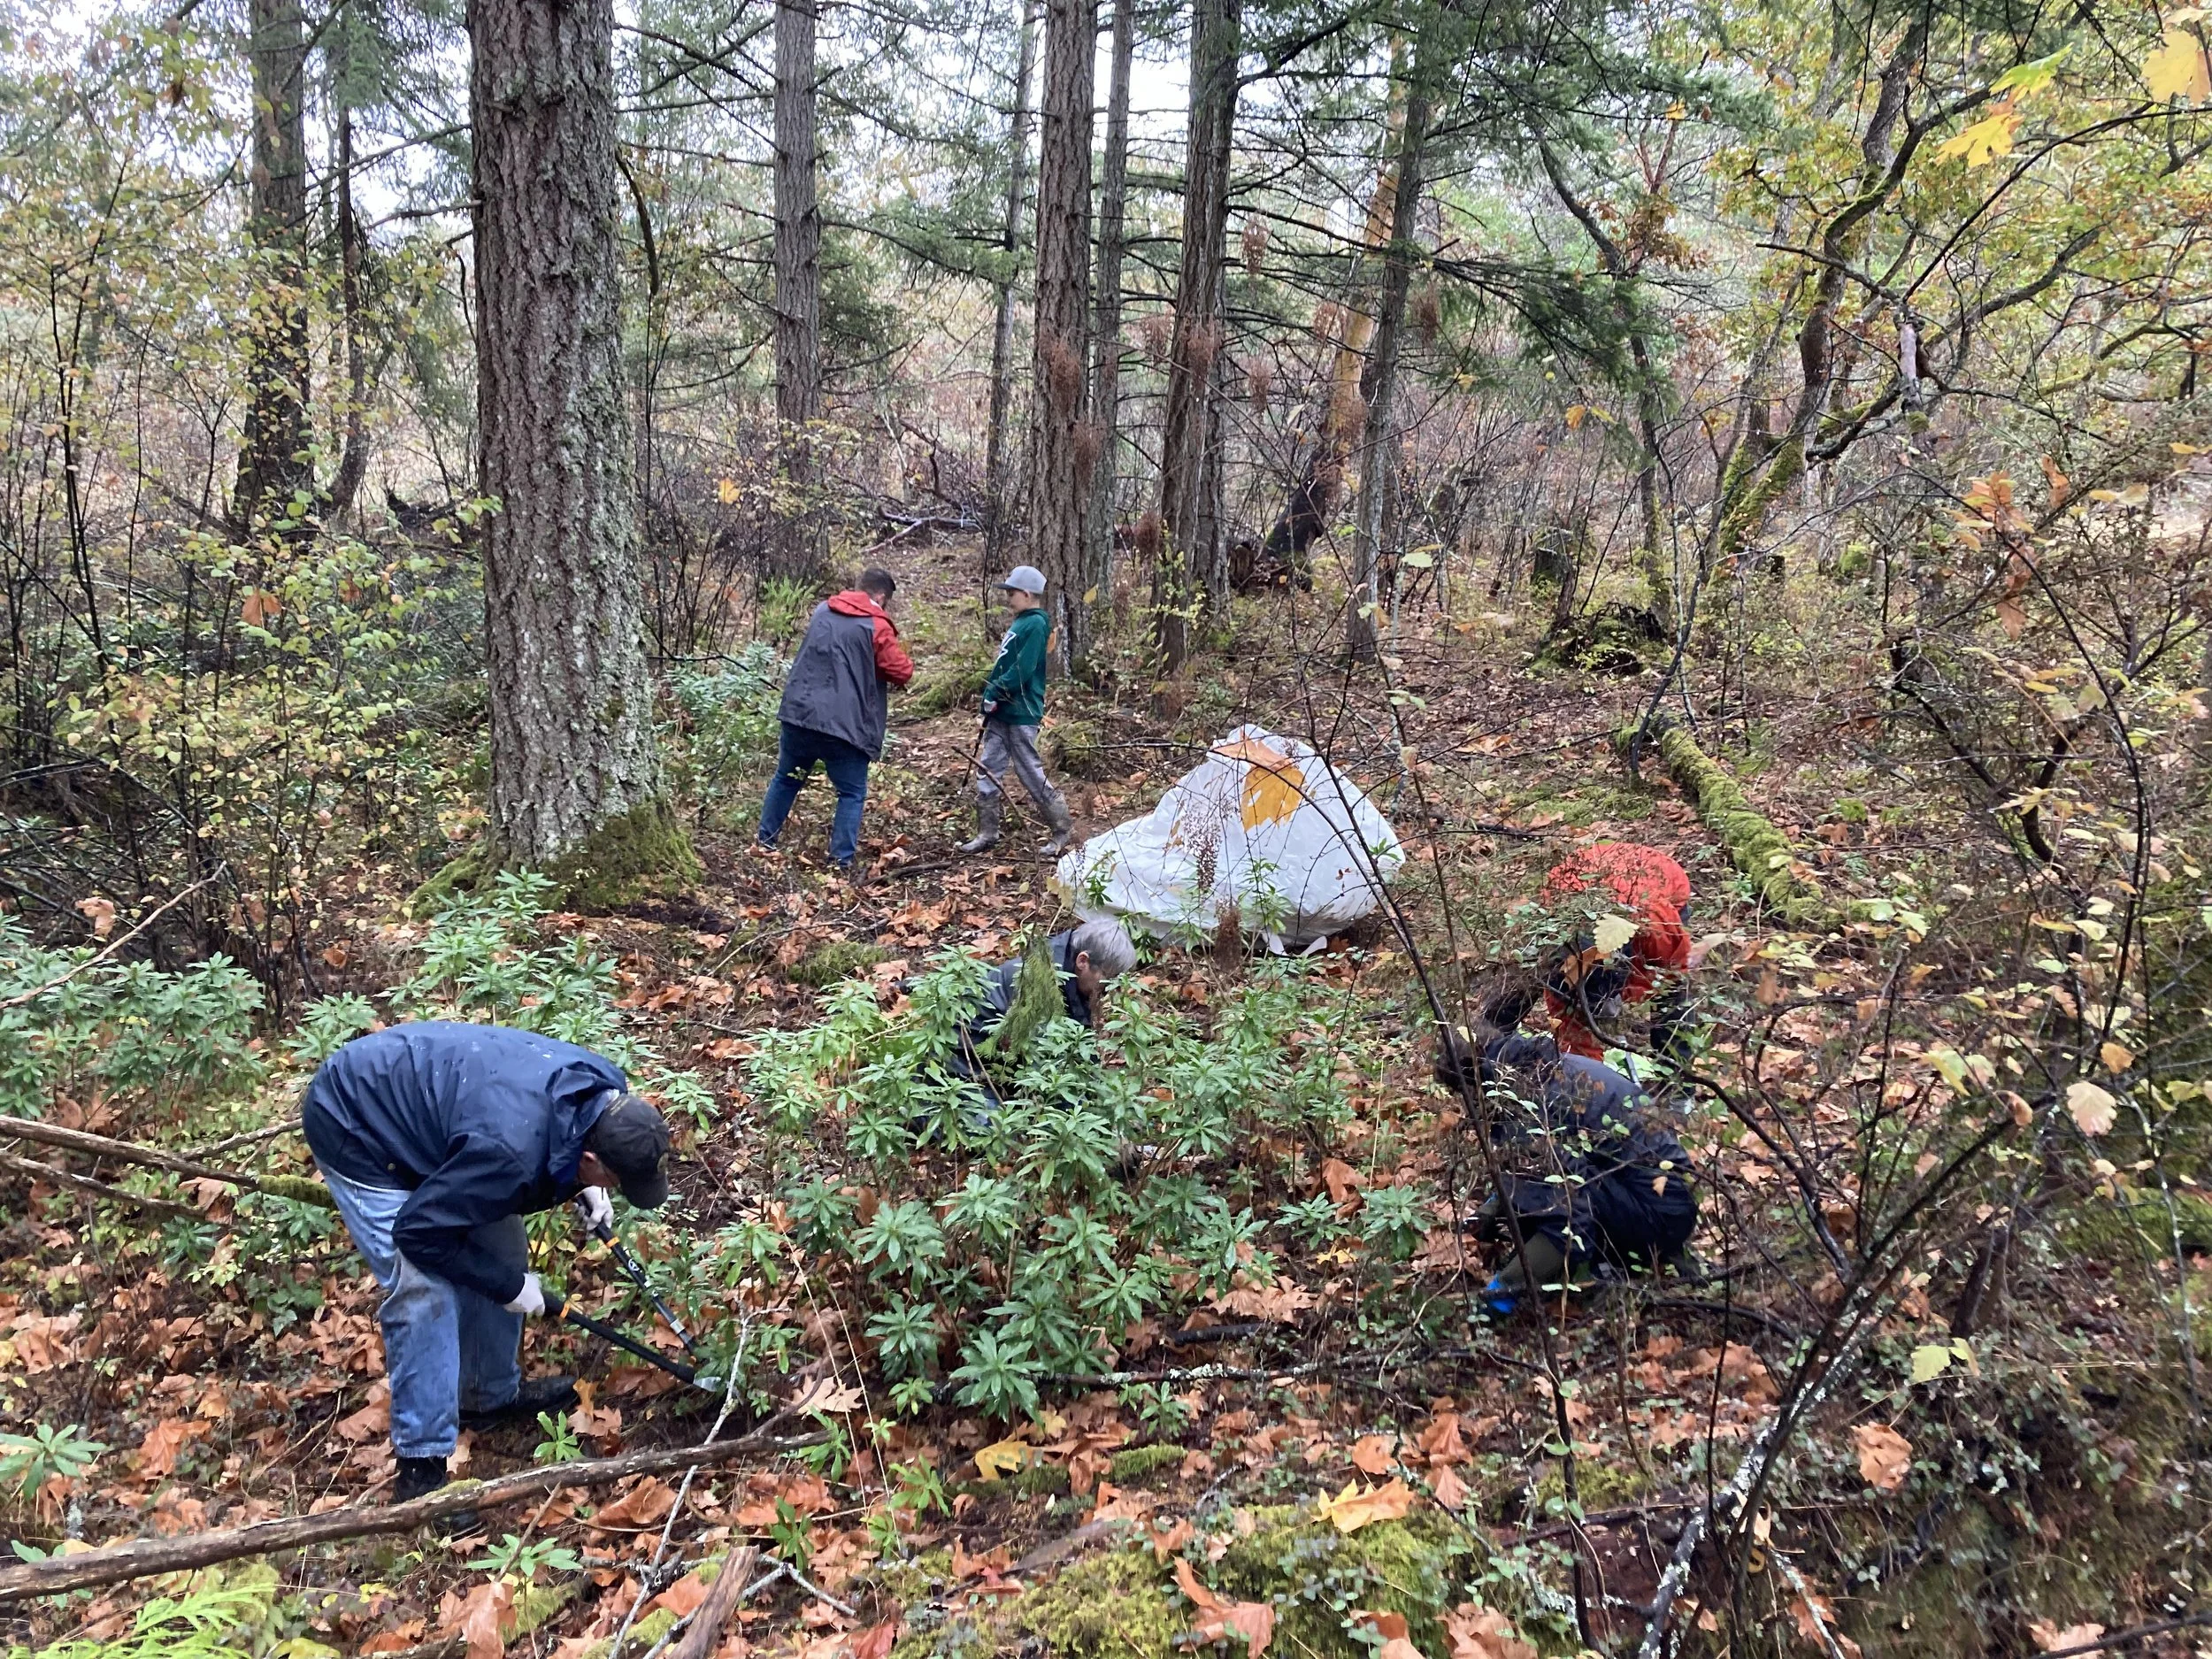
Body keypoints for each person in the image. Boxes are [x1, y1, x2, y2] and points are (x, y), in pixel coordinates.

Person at [303, 1022, 673, 1510]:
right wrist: (508, 1287)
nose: (622, 1191)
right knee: (425, 1288)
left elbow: (553, 1141)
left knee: (501, 1248)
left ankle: (487, 1396)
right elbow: (418, 1232)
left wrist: (585, 1186)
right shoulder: (509, 1156)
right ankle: (422, 1475)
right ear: (590, 1156)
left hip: (441, 1116)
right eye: (618, 1182)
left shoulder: (607, 1089)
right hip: (358, 1121)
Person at [1434, 1001, 1697, 1317]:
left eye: (1463, 1093)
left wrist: (1501, 1293)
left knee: (1552, 1211)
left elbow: (1569, 1218)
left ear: (1473, 1082)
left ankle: (1612, 1267)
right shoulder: (1542, 1064)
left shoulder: (1524, 1105)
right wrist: (1494, 1207)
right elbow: (1551, 1166)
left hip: (1658, 1215)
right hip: (1667, 1198)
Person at [758, 568, 915, 870]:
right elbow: (900, 671)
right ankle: (840, 861)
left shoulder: (822, 610)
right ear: (881, 596)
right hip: (845, 725)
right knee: (851, 792)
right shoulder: (876, 624)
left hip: (799, 713)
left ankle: (765, 844)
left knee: (786, 779)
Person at [958, 565, 1074, 860]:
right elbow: (1004, 665)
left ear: (1026, 593)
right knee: (988, 768)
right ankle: (987, 832)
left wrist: (998, 691)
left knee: (1029, 772)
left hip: (1021, 711)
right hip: (1001, 712)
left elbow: (1023, 668)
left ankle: (1062, 831)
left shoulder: (1036, 623)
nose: (1008, 598)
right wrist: (990, 696)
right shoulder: (1021, 623)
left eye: (1011, 593)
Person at [1536, 842, 1694, 1060]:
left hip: (1659, 877)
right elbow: (1571, 1030)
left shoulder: (1654, 922)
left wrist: (1626, 997)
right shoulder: (1551, 950)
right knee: (1573, 1008)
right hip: (1587, 873)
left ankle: (1678, 1083)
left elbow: (1674, 970)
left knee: (1673, 994)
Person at [962, 917, 1139, 1056]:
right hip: (966, 1063)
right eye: (1108, 977)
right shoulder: (1041, 984)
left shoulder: (1064, 963)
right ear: (1083, 961)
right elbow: (1043, 1061)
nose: (1110, 987)